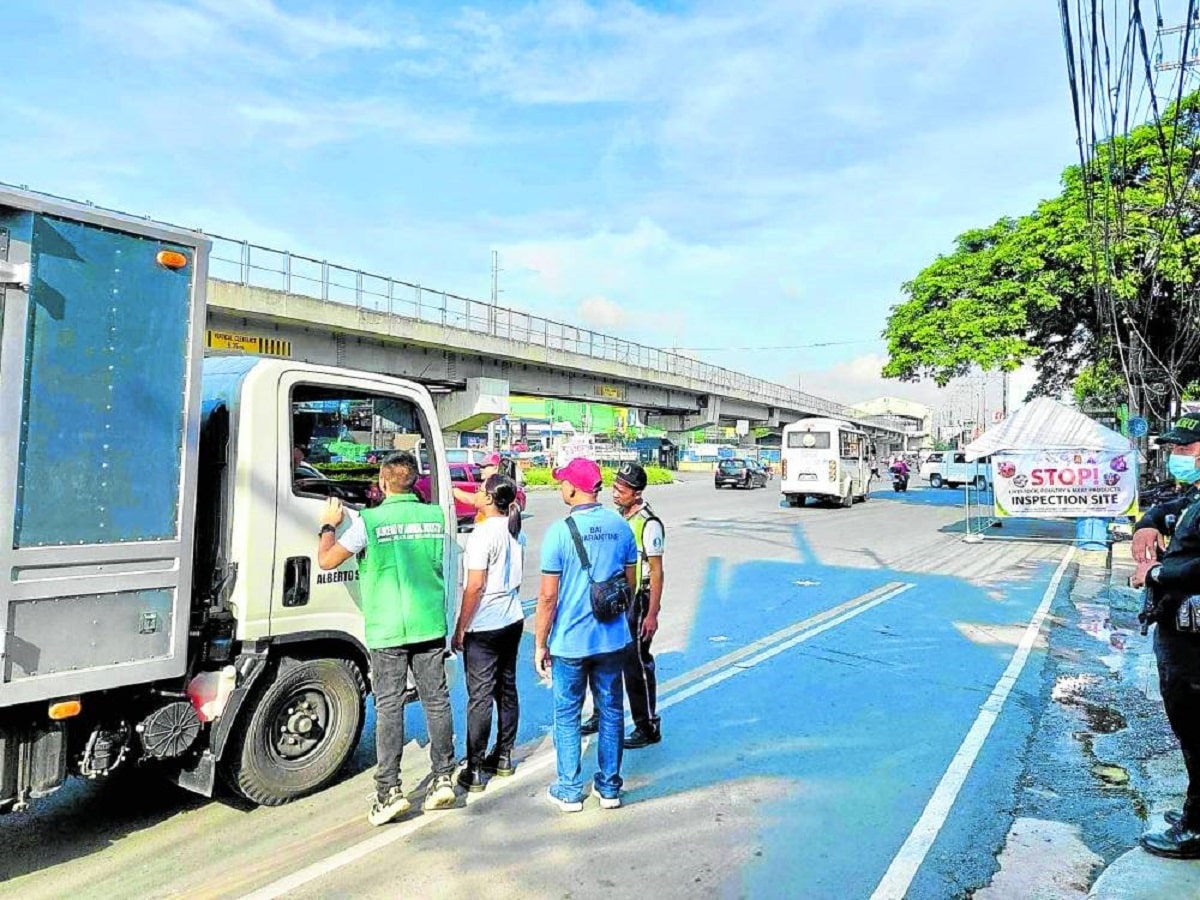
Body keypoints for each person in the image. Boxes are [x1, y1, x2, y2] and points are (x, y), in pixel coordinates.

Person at [317, 451, 458, 826]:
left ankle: (389, 791)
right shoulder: (434, 516)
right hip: (429, 623)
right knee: (437, 702)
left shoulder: (370, 522)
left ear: (382, 482)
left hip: (388, 629)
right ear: (414, 482)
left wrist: (329, 525)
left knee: (390, 707)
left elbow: (328, 560)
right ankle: (444, 777)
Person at [535, 458, 638, 812]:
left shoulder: (560, 532)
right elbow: (630, 583)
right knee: (610, 710)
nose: (560, 486)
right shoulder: (621, 527)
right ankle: (609, 788)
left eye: (563, 481)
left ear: (574, 487)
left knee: (567, 714)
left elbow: (548, 596)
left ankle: (569, 790)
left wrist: (539, 643)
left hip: (570, 641)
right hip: (612, 638)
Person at [1131, 416, 1200, 858]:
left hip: (1196, 642)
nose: (1178, 458)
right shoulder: (1196, 495)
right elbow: (1169, 507)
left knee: (1197, 729)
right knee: (1188, 726)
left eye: (1187, 450)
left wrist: (1154, 571)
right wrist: (1149, 521)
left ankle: (1197, 830)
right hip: (1180, 631)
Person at [452, 473, 527, 793]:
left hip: (485, 624)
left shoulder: (482, 535)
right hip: (512, 617)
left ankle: (474, 766)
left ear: (487, 499)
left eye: (481, 490)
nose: (477, 493)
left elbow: (475, 586)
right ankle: (504, 755)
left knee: (479, 696)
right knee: (506, 689)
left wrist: (460, 626)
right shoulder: (514, 529)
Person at [582, 462, 664, 748]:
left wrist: (652, 613)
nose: (616, 492)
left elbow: (656, 571)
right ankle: (599, 714)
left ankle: (648, 725)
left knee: (636, 663)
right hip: (614, 596)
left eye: (623, 489)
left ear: (637, 493)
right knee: (603, 656)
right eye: (615, 486)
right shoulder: (616, 517)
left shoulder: (649, 524)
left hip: (637, 601)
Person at [454, 453, 502, 525]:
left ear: (496, 468)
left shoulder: (494, 484)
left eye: (484, 466)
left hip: (488, 526)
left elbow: (475, 500)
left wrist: (454, 491)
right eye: (480, 466)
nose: (481, 469)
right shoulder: (491, 482)